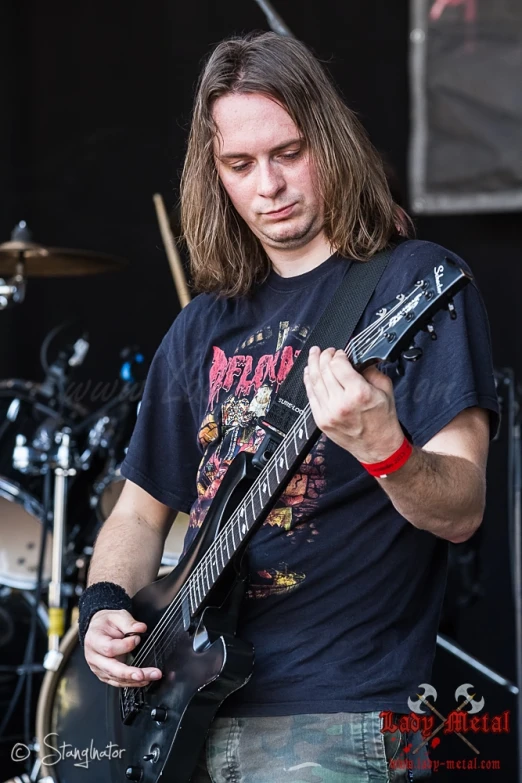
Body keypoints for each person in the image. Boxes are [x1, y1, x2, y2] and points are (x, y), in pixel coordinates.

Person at [80, 32, 499, 782]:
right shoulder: (202, 326)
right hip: (185, 714)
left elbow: (463, 506)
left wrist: (385, 449)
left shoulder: (415, 284)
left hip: (344, 720)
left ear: (329, 145)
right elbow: (140, 513)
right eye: (239, 165)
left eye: (288, 153)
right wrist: (104, 605)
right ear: (215, 174)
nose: (268, 184)